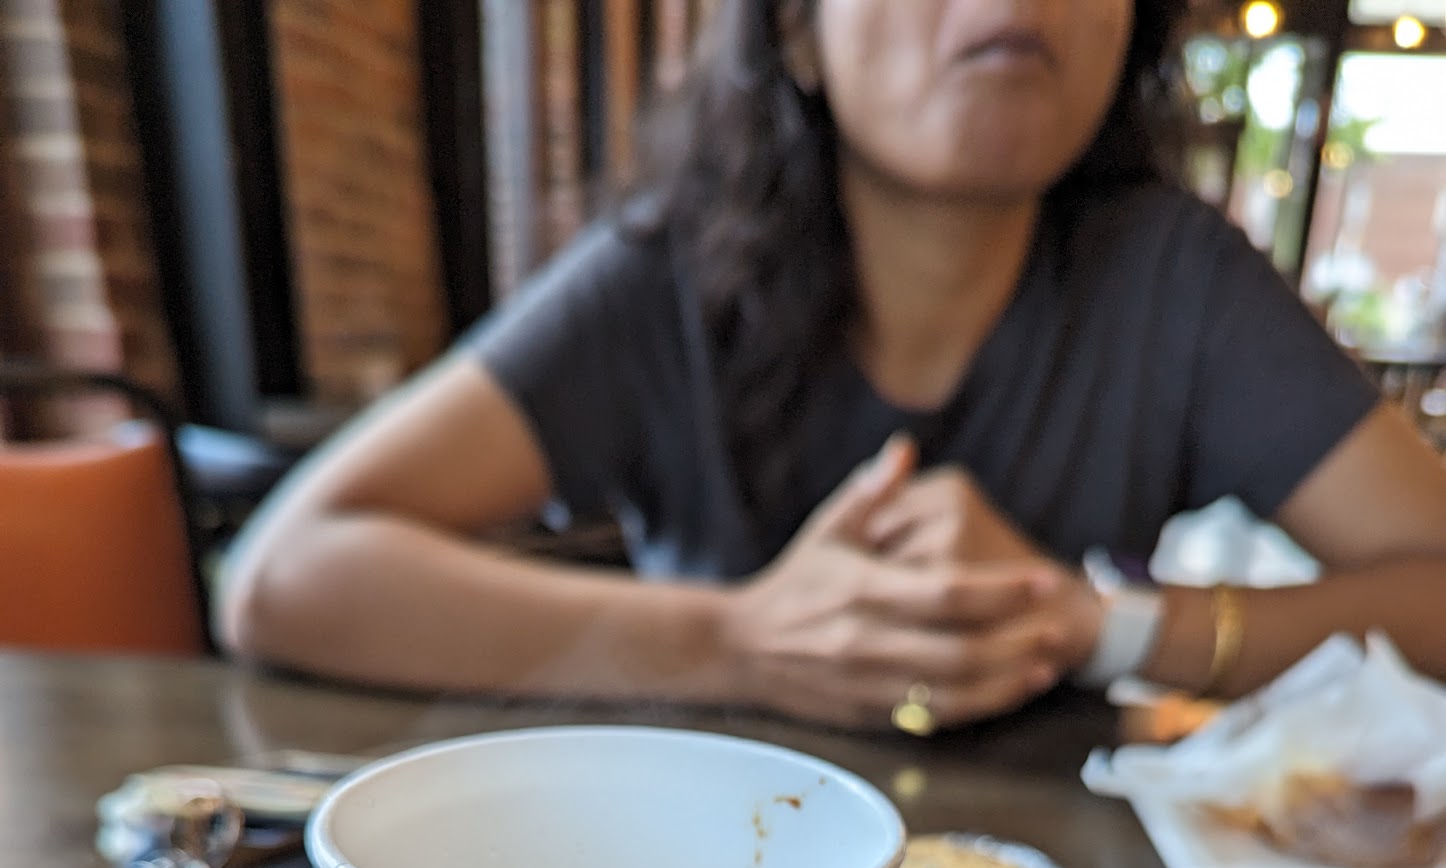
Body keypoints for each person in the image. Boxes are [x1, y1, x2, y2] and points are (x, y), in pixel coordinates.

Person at [220, 0, 1446, 734]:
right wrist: (743, 640)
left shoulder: (1177, 282)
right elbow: (283, 578)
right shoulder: (664, 274)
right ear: (796, 31)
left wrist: (1094, 624)